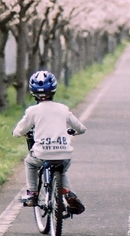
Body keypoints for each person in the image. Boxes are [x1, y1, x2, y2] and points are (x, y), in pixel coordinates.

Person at [13, 70, 87, 215]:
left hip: (42, 154)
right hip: (64, 153)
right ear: (54, 89)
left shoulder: (33, 111)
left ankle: (32, 193)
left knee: (30, 162)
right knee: (62, 168)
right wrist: (72, 132)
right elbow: (81, 128)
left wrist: (18, 133)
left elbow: (18, 131)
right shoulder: (63, 109)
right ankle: (68, 193)